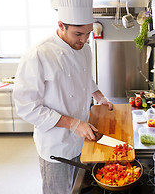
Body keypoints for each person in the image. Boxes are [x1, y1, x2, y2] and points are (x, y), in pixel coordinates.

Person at [13, 20, 113, 194]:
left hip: (81, 140)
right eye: (78, 34)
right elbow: (26, 107)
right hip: (56, 143)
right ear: (61, 25)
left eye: (88, 33)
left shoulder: (85, 49)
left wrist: (99, 96)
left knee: (77, 188)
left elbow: (85, 79)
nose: (84, 40)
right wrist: (73, 124)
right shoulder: (38, 54)